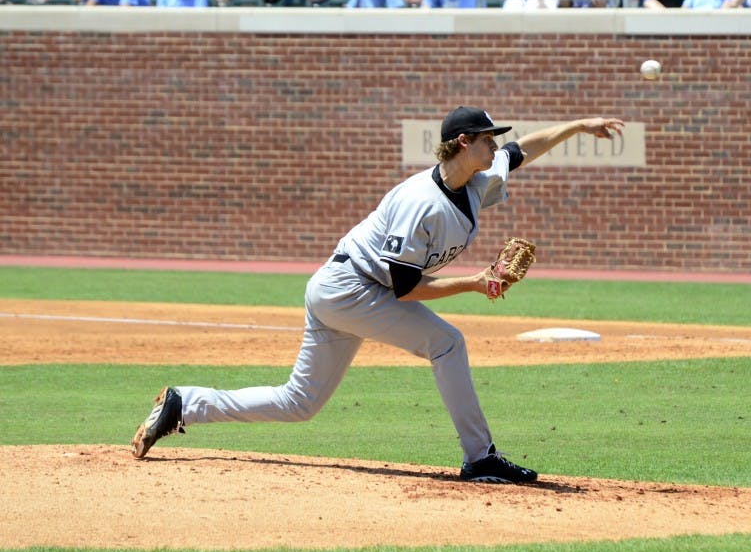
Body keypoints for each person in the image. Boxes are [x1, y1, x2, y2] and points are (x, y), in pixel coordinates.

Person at [131, 107, 626, 485]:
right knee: (447, 343)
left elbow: (522, 151)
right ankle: (480, 458)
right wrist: (475, 282)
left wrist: (578, 126)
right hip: (350, 289)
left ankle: (185, 403)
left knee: (299, 402)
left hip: (344, 289)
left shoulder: (475, 181)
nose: (495, 146)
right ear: (463, 143)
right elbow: (405, 289)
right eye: (487, 139)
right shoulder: (420, 202)